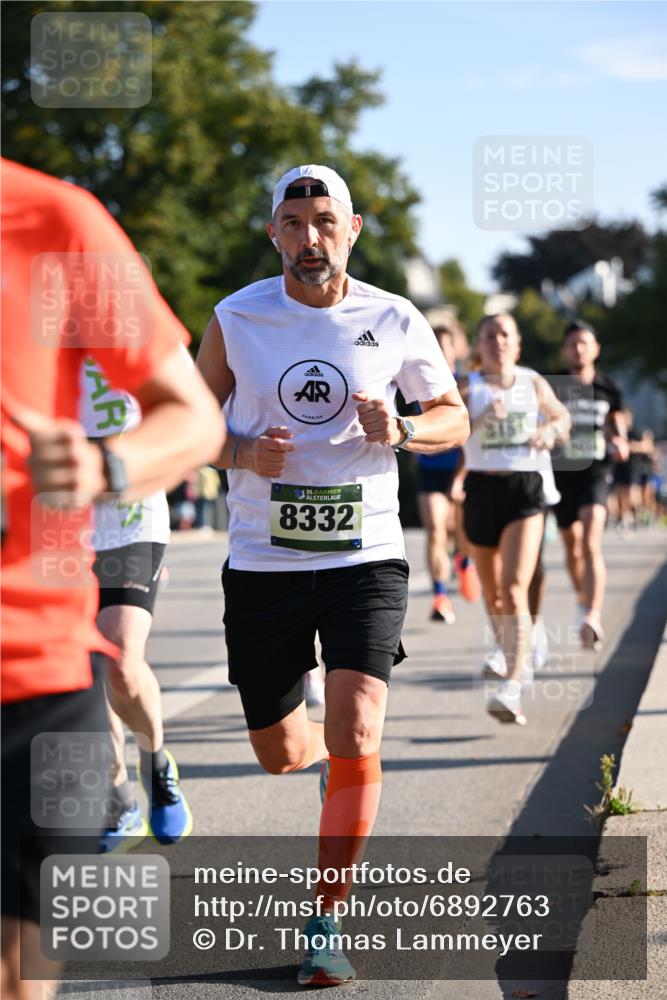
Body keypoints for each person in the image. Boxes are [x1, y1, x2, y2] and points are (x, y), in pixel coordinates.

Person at [196, 163, 469, 986]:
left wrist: (406, 426)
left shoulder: (393, 317)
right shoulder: (236, 318)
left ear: (351, 230)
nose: (308, 237)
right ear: (272, 232)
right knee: (283, 755)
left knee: (358, 731)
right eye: (292, 221)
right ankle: (327, 764)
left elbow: (452, 417)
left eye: (325, 221)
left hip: (365, 555)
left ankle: (327, 914)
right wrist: (239, 451)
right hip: (264, 560)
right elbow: (186, 422)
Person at [0, 158, 225, 1000]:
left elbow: (194, 417)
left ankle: (147, 766)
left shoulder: (55, 221)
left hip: (24, 658)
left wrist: (104, 464)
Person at [80, 351, 195, 853]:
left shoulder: (133, 324)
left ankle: (156, 762)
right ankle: (119, 798)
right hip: (56, 519)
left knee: (120, 660)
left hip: (130, 515)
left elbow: (192, 419)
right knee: (87, 664)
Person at [459, 314, 570, 725]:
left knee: (514, 586)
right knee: (493, 593)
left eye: (505, 334)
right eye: (489, 335)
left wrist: (550, 432)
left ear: (517, 344)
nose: (498, 341)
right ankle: (512, 654)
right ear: (479, 344)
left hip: (524, 488)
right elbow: (448, 433)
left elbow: (562, 418)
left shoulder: (532, 382)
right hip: (481, 491)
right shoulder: (467, 387)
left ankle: (513, 683)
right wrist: (479, 420)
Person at [550, 321, 628, 650]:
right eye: (572, 344)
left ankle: (592, 615)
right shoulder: (552, 385)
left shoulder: (609, 387)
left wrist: (621, 440)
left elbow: (616, 421)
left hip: (596, 471)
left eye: (584, 343)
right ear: (565, 350)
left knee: (591, 539)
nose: (578, 349)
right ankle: (584, 599)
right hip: (562, 472)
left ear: (595, 349)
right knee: (573, 546)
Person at [415, 323, 480, 623]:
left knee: (461, 532)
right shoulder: (416, 380)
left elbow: (472, 436)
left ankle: (464, 560)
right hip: (430, 471)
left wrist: (460, 478)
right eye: (435, 344)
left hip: (461, 470)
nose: (440, 351)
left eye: (445, 345)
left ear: (455, 350)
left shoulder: (465, 386)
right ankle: (440, 596)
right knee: (436, 531)